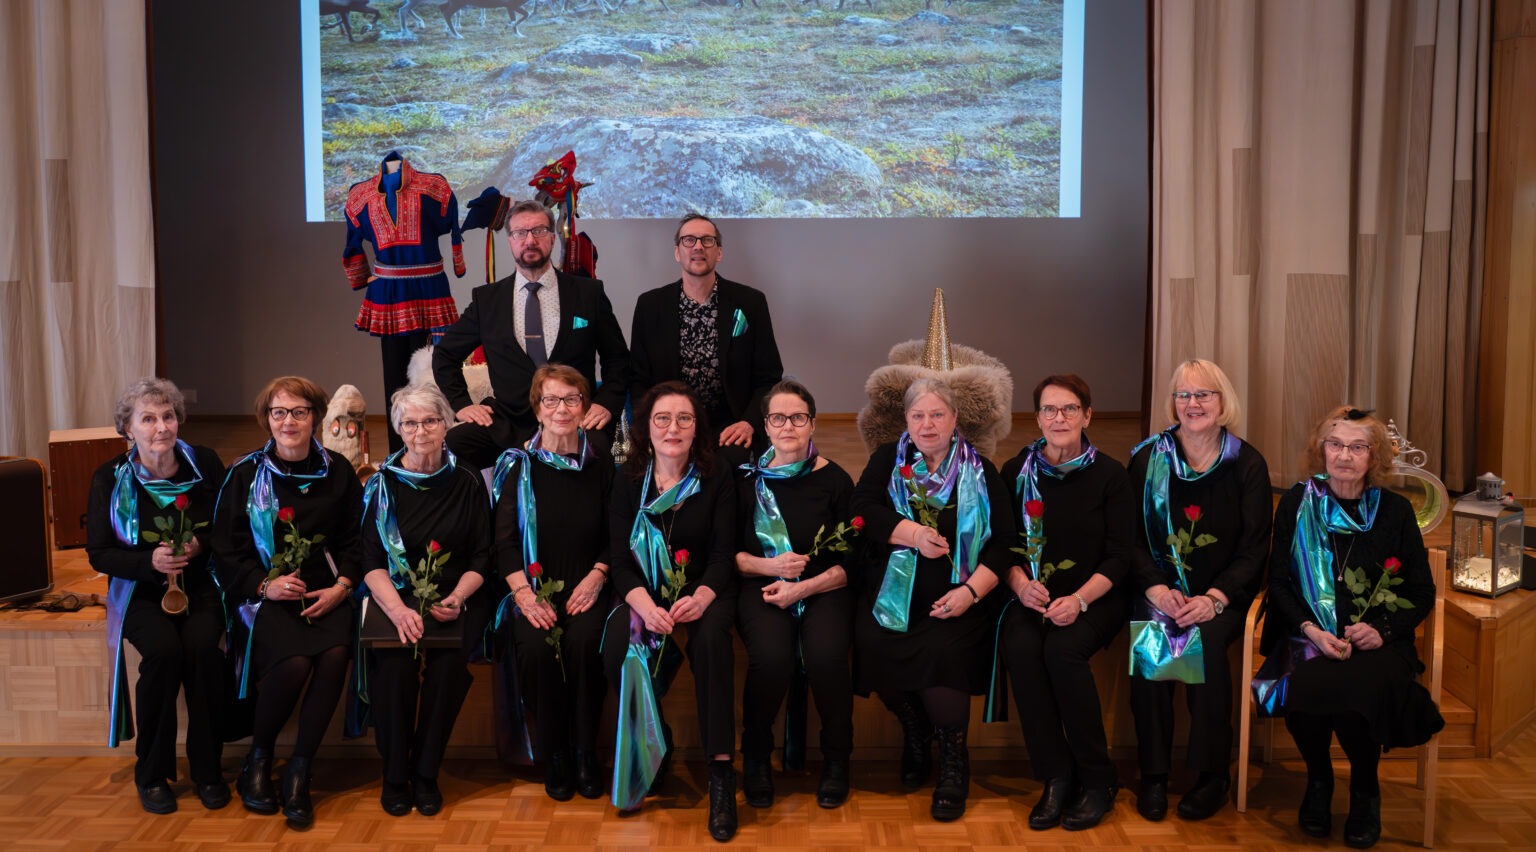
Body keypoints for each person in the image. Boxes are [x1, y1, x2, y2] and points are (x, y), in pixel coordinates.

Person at [1265, 407, 1443, 849]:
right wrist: (1310, 629)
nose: (1344, 455)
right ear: (1322, 450)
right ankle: (1319, 780)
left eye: (1357, 447)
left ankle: (1365, 790)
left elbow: (1421, 591)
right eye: (1336, 444)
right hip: (1310, 634)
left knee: (1359, 691)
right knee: (1305, 684)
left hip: (1378, 643)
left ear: (1374, 456)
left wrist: (1381, 629)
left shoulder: (1396, 511)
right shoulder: (1296, 504)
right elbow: (1279, 583)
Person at [852, 378, 1013, 822]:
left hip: (959, 598)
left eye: (937, 414)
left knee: (944, 651)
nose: (927, 425)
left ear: (954, 418)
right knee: (870, 639)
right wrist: (915, 534)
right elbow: (861, 511)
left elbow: (1006, 543)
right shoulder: (888, 460)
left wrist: (969, 593)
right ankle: (916, 729)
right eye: (918, 415)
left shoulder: (980, 470)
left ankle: (954, 760)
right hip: (895, 595)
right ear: (906, 419)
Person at [213, 376, 364, 830]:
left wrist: (343, 586)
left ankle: (300, 768)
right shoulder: (245, 473)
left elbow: (356, 539)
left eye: (299, 412)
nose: (289, 421)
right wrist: (264, 586)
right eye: (279, 412)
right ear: (267, 419)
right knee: (295, 663)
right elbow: (225, 550)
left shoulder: (338, 470)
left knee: (335, 654)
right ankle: (258, 760)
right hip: (264, 596)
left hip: (326, 592)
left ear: (315, 417)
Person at [1126, 359, 1272, 822]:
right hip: (1159, 591)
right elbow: (1128, 537)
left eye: (1203, 394)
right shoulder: (1147, 459)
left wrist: (1214, 598)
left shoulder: (1246, 463)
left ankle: (1212, 775)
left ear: (1222, 401)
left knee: (1204, 646)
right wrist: (1155, 589)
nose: (1193, 404)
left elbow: (1254, 548)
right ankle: (1154, 773)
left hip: (1221, 596)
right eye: (1183, 395)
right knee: (1152, 640)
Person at [602, 381, 740, 841]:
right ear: (646, 427)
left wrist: (701, 597)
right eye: (663, 418)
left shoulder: (717, 476)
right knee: (616, 646)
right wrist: (645, 606)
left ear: (697, 427)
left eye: (684, 418)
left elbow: (723, 555)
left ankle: (720, 773)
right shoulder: (627, 480)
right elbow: (619, 561)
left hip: (704, 591)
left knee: (713, 645)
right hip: (644, 591)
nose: (673, 428)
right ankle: (655, 742)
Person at [996, 375, 1134, 831]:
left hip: (1095, 596)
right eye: (1049, 410)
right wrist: (1020, 585)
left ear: (1087, 416)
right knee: (1020, 647)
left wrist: (1078, 599)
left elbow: (1120, 556)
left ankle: (1098, 779)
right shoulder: (1017, 472)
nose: (1059, 418)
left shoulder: (1111, 475)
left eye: (1070, 409)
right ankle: (1056, 774)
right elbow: (1003, 546)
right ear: (1037, 419)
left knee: (1062, 650)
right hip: (1032, 595)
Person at [86, 377, 229, 814]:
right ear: (128, 429)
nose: (161, 427)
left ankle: (208, 770)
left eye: (168, 416)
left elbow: (231, 528)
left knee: (203, 651)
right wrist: (149, 562)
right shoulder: (109, 477)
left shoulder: (204, 463)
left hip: (201, 585)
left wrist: (201, 546)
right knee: (164, 653)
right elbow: (99, 553)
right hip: (140, 591)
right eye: (147, 419)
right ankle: (151, 774)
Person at [359, 385, 492, 817]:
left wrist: (456, 597)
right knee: (394, 668)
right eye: (410, 423)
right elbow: (370, 560)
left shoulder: (467, 479)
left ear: (446, 425)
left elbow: (482, 556)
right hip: (394, 596)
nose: (421, 431)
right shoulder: (383, 483)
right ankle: (395, 774)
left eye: (430, 421)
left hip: (456, 596)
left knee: (449, 668)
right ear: (398, 429)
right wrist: (398, 610)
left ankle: (426, 771)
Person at [493, 364, 615, 802]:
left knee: (586, 643)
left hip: (589, 584)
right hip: (532, 589)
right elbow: (503, 542)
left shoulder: (603, 461)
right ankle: (555, 752)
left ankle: (585, 752)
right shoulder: (518, 464)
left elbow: (619, 534)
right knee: (537, 649)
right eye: (551, 400)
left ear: (584, 407)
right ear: (537, 409)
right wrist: (524, 595)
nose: (561, 408)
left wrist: (598, 576)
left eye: (571, 399)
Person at [433, 199, 630, 468]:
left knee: (598, 454)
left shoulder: (588, 293)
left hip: (574, 419)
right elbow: (444, 355)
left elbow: (617, 358)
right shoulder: (487, 300)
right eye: (520, 233)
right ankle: (494, 498)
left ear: (552, 238)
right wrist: (462, 404)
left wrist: (605, 403)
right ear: (510, 241)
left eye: (539, 231)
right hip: (509, 422)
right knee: (454, 446)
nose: (530, 240)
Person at [734, 380, 857, 810]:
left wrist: (802, 588)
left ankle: (837, 760)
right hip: (762, 585)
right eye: (778, 418)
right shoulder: (745, 480)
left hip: (824, 588)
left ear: (813, 424)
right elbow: (727, 555)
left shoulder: (836, 480)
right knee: (772, 657)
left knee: (826, 657)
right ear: (766, 426)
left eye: (798, 417)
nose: (788, 426)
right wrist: (771, 568)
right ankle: (756, 758)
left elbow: (853, 560)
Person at [628, 213, 783, 453]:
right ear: (677, 252)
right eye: (689, 240)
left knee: (728, 464)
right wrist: (651, 425)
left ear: (719, 253)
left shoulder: (751, 302)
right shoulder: (650, 305)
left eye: (707, 240)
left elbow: (769, 376)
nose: (698, 246)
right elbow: (638, 378)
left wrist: (749, 422)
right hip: (670, 424)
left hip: (731, 424)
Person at [343, 151, 466, 453]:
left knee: (433, 371)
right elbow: (352, 243)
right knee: (396, 376)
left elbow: (453, 228)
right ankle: (399, 453)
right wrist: (457, 261)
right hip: (396, 292)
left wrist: (359, 277)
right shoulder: (360, 195)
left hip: (425, 289)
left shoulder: (434, 187)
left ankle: (438, 449)